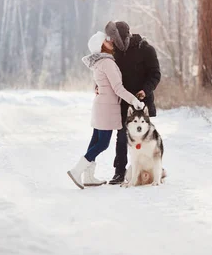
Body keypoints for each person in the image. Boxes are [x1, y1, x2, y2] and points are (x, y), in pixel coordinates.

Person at [67, 31, 145, 189]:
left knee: (95, 140)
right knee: (102, 143)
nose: (111, 43)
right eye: (107, 41)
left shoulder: (99, 62)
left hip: (101, 105)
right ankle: (77, 171)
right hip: (106, 108)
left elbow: (101, 83)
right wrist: (134, 101)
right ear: (101, 45)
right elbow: (118, 88)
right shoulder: (107, 63)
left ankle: (88, 176)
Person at [103, 21, 161, 185]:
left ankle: (150, 171)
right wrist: (98, 86)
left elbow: (155, 74)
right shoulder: (115, 52)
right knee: (122, 137)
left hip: (141, 103)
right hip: (122, 101)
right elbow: (108, 73)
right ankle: (119, 172)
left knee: (144, 139)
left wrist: (145, 90)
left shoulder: (146, 49)